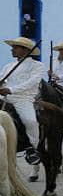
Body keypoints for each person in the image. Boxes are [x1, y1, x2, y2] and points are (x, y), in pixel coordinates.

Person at [0, 37, 43, 165]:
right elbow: (2, 79)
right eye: (12, 47)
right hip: (4, 97)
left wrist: (11, 89)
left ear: (25, 50)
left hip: (23, 99)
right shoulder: (9, 66)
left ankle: (32, 148)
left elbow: (31, 83)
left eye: (15, 47)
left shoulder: (37, 65)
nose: (12, 50)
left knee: (30, 121)